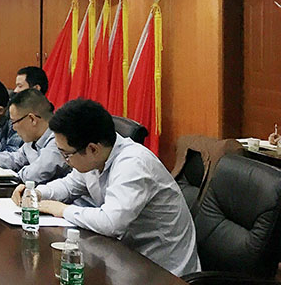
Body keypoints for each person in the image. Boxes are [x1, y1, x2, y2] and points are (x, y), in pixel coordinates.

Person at [13, 98, 200, 276]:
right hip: (126, 259)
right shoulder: (98, 157)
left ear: (92, 149)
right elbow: (69, 185)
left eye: (66, 154)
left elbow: (111, 223)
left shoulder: (133, 164)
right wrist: (37, 192)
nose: (65, 161)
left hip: (165, 273)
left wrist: (62, 210)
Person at [0, 88, 69, 185]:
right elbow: (15, 158)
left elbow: (36, 173)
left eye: (14, 122)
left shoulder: (58, 140)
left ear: (32, 119)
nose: (14, 128)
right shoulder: (33, 141)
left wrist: (11, 175)